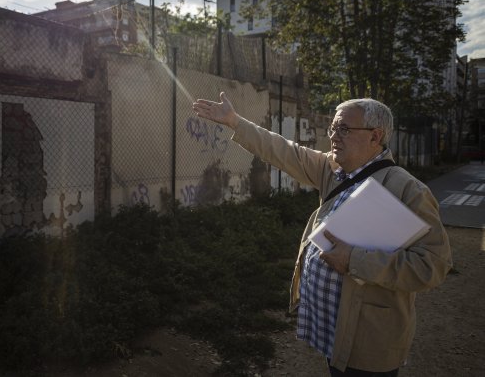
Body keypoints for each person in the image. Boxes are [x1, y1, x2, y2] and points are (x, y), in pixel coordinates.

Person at [192, 93, 452, 376]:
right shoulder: (334, 170)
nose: (333, 137)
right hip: (333, 331)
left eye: (344, 129)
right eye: (333, 129)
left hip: (369, 341)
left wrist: (354, 261)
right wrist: (234, 122)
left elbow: (433, 266)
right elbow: (282, 149)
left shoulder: (409, 191)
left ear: (375, 137)